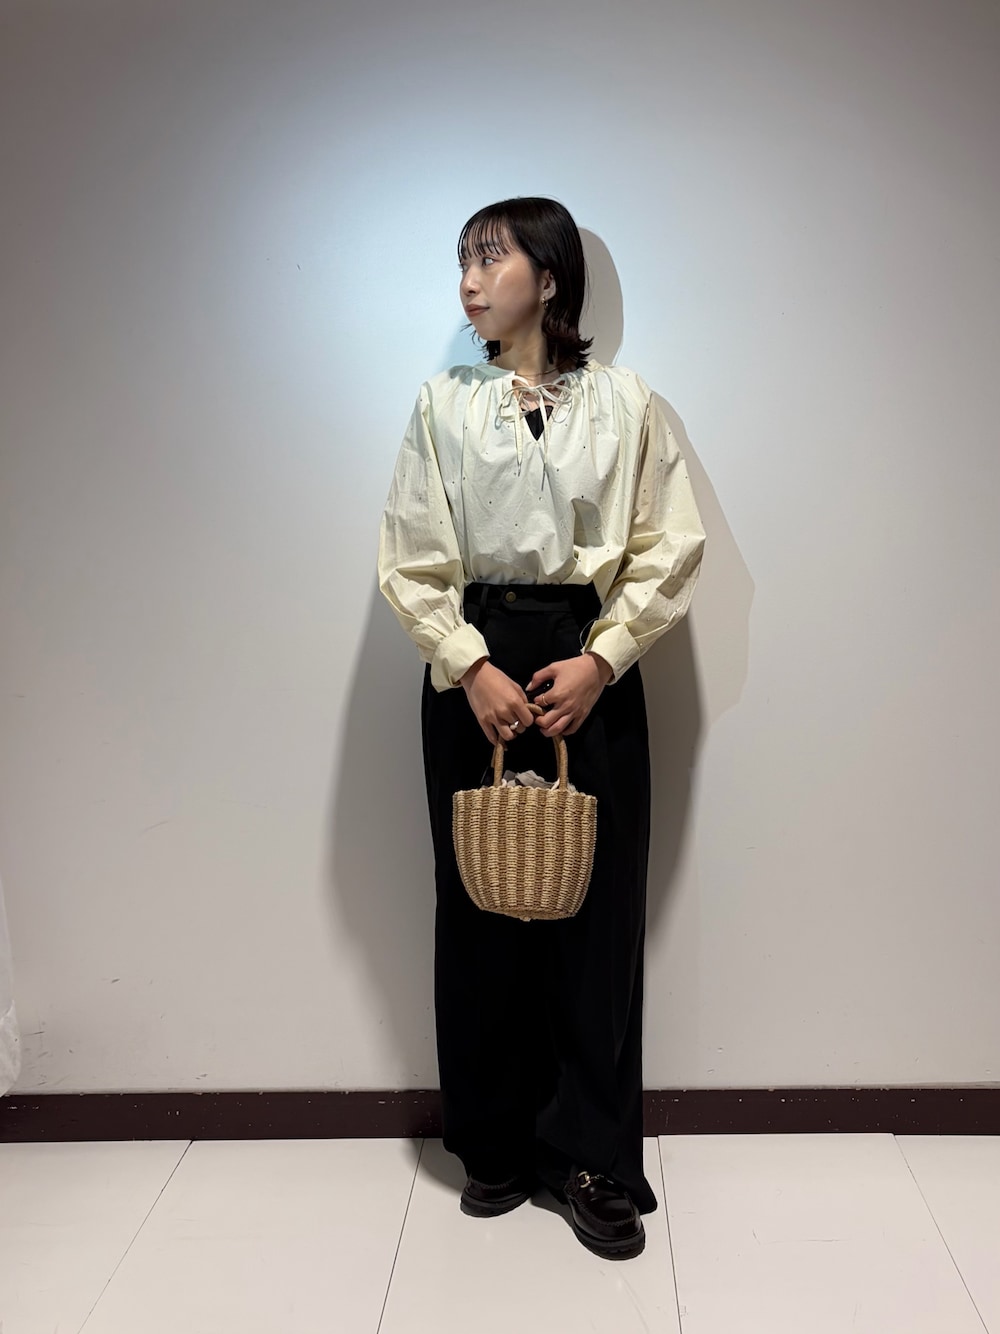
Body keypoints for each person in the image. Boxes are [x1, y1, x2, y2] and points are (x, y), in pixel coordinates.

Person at [377, 196, 705, 1261]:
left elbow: (668, 545)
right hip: (470, 658)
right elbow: (411, 553)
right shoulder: (443, 404)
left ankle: (591, 1158)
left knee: (595, 919)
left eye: (490, 258)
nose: (469, 281)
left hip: (587, 652)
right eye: (462, 262)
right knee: (478, 908)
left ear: (549, 276)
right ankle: (495, 1143)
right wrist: (466, 662)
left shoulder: (626, 403)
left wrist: (603, 659)